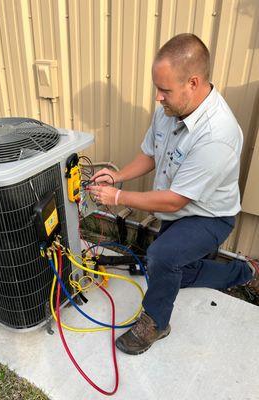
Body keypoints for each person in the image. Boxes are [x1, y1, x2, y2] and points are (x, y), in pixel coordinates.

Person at [89, 33, 259, 355]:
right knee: (176, 269)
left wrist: (116, 198)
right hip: (179, 211)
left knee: (162, 256)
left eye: (164, 90)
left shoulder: (218, 135)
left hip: (210, 216)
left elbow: (174, 200)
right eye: (157, 88)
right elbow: (151, 155)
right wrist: (118, 175)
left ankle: (155, 322)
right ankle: (245, 272)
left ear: (193, 83)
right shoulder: (169, 110)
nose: (157, 98)